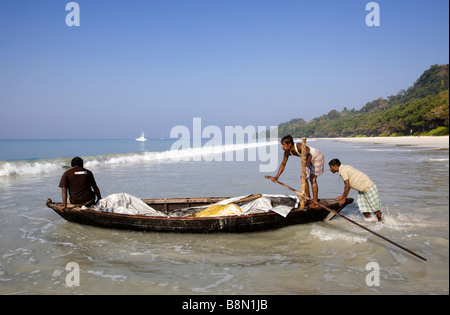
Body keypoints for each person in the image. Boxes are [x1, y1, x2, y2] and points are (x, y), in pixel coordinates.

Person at [267, 135, 324, 206]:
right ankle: (308, 198)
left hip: (316, 157)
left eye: (283, 145)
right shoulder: (287, 152)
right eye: (282, 145)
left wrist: (306, 163)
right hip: (306, 160)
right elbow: (283, 164)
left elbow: (309, 155)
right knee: (304, 178)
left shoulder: (299, 146)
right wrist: (277, 177)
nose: (282, 147)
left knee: (312, 179)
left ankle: (315, 201)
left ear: (290, 144)